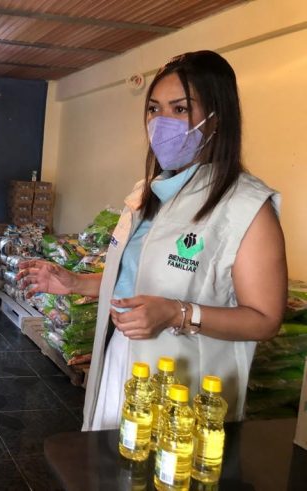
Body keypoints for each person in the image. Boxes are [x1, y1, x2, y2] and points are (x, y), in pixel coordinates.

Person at [18, 50, 287, 432]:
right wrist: (76, 283)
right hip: (121, 359)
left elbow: (265, 320)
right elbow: (137, 283)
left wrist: (178, 314)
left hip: (185, 384)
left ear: (217, 119)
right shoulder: (147, 194)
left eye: (180, 109)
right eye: (154, 109)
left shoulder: (245, 207)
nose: (162, 123)